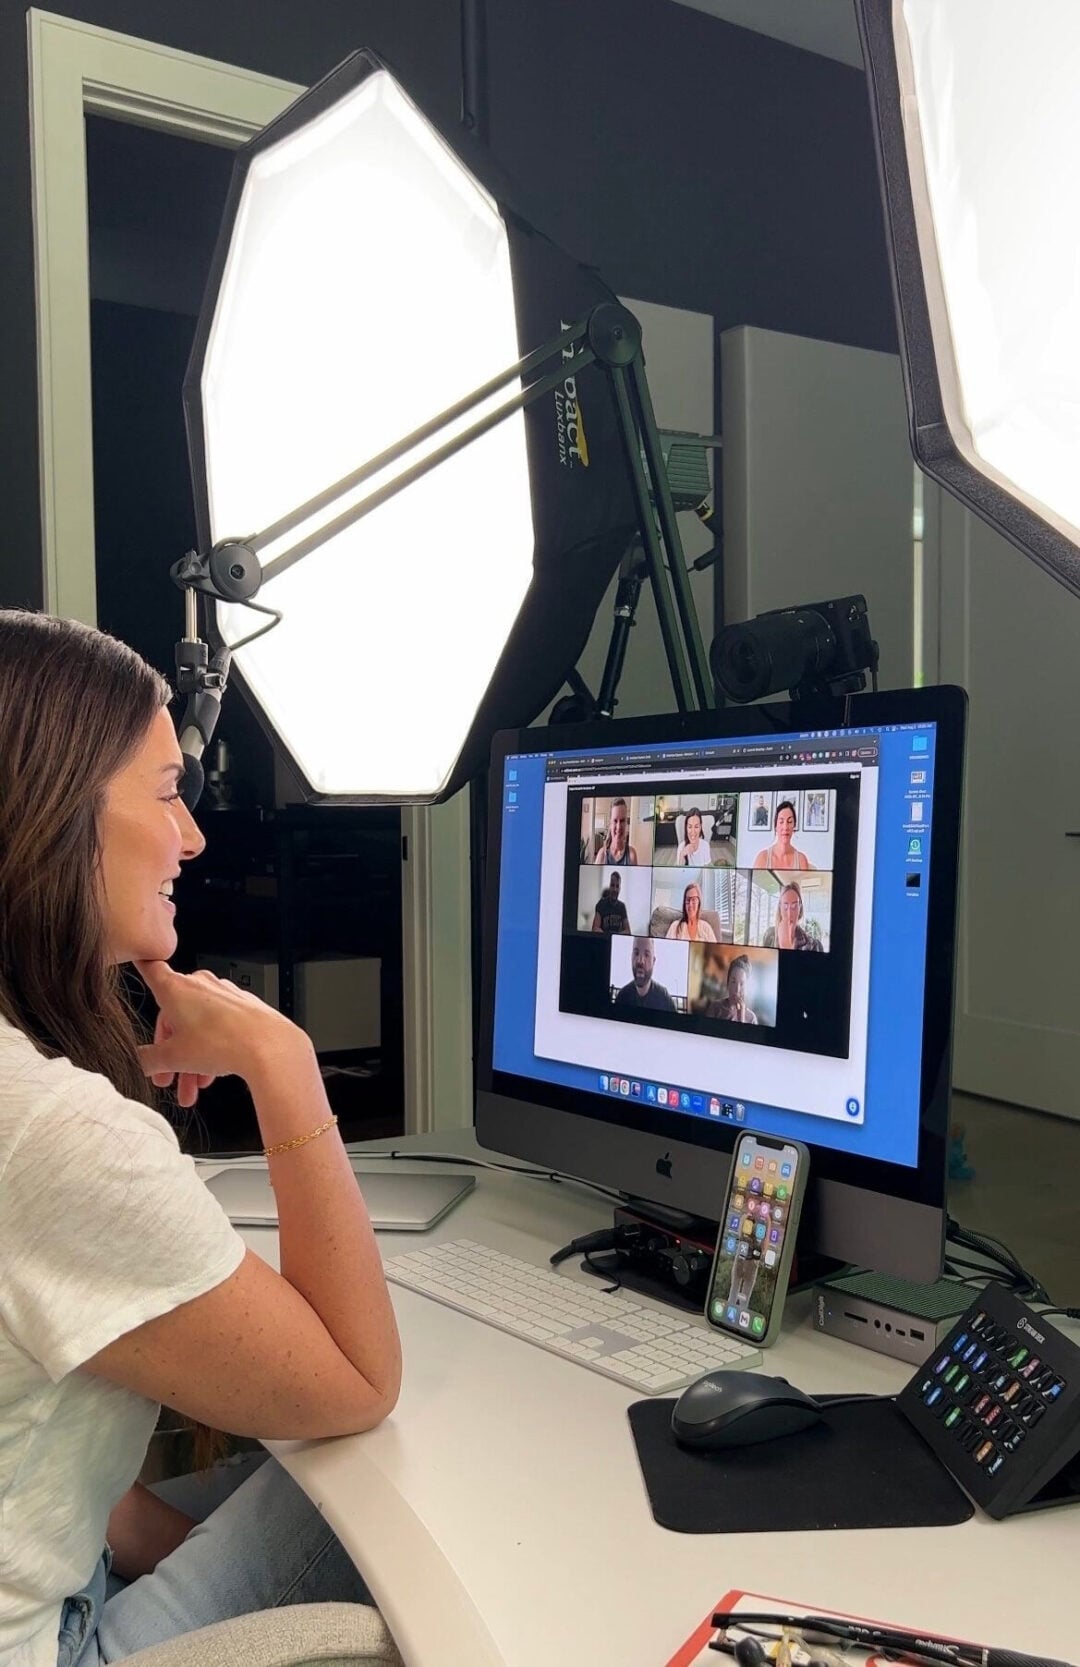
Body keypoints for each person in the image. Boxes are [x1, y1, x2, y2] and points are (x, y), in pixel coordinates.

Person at [0, 613, 402, 1667]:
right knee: (397, 1477)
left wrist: (186, 1556)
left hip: (69, 1564)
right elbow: (358, 1381)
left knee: (304, 1482)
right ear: (54, 805)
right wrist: (283, 1061)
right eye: (170, 789)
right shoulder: (50, 1129)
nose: (195, 836)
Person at [613, 938, 676, 1012]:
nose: (640, 961)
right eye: (636, 953)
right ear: (631, 957)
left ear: (653, 961)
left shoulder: (665, 999)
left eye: (646, 955)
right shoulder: (622, 997)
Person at [752, 799, 813, 871]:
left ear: (794, 826)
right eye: (781, 822)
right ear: (775, 826)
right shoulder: (762, 858)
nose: (785, 827)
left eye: (790, 822)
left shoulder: (801, 859)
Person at [762, 881, 822, 951]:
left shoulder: (814, 946)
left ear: (800, 909)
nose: (789, 914)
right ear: (780, 908)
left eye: (794, 906)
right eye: (785, 906)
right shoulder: (769, 935)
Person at [704, 954, 759, 1024]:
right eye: (733, 982)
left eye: (742, 984)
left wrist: (741, 1020)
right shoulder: (715, 1007)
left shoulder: (751, 1018)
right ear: (728, 984)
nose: (737, 990)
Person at [593, 797, 638, 865]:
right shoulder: (602, 855)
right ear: (610, 823)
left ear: (626, 823)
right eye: (615, 821)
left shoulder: (632, 855)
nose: (618, 826)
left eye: (622, 821)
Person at [591, 870, 630, 935]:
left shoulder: (622, 906)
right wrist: (607, 936)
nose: (615, 889)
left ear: (620, 889)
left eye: (617, 886)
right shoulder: (601, 904)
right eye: (612, 885)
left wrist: (615, 936)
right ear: (609, 887)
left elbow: (628, 931)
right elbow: (595, 928)